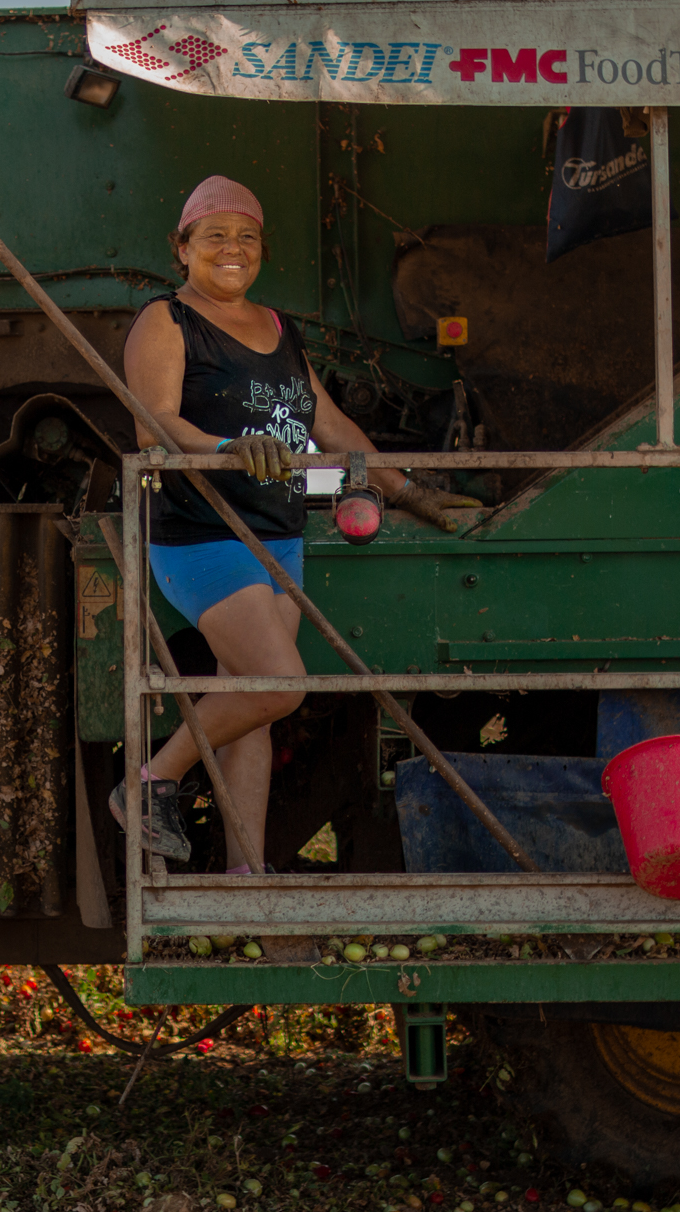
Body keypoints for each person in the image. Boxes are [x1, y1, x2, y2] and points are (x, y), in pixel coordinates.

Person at [112, 175, 482, 870]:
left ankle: (245, 872)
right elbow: (153, 421)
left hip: (277, 533)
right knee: (279, 684)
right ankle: (150, 782)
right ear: (181, 248)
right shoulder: (167, 320)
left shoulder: (279, 329)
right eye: (214, 236)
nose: (232, 249)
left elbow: (332, 426)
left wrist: (408, 492)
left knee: (252, 702)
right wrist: (226, 449)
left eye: (246, 237)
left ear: (263, 251)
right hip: (204, 532)